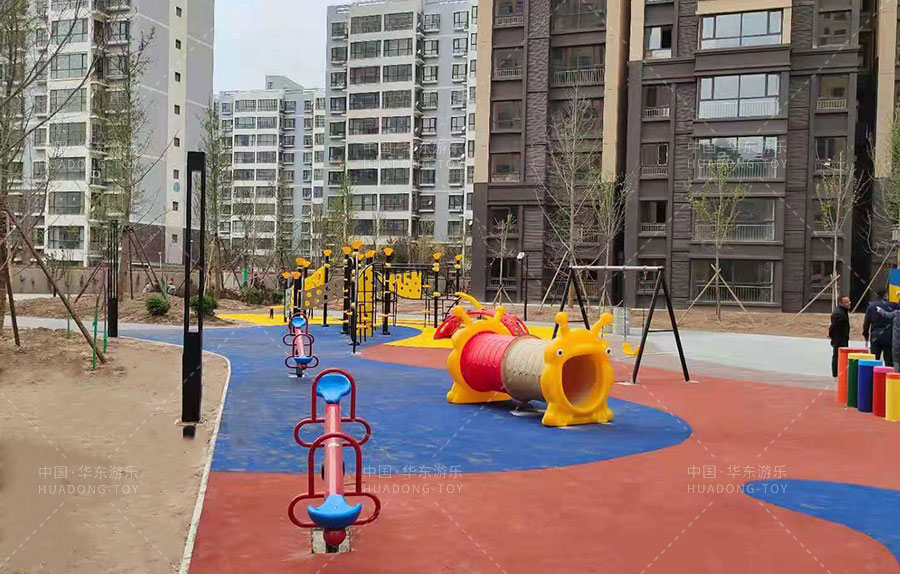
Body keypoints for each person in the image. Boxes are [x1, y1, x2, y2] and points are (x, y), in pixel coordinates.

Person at [863, 289, 896, 365]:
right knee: (889, 360)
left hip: (875, 336)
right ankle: (888, 372)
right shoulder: (893, 305)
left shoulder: (871, 307)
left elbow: (866, 323)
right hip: (889, 336)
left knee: (874, 359)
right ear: (886, 296)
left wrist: (865, 334)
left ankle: (873, 372)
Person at [829, 295, 851, 377]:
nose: (849, 303)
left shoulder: (843, 311)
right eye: (846, 302)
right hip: (839, 339)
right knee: (838, 356)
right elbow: (833, 327)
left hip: (842, 338)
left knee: (840, 356)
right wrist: (833, 337)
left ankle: (839, 373)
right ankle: (836, 373)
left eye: (849, 301)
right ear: (841, 303)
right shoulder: (839, 314)